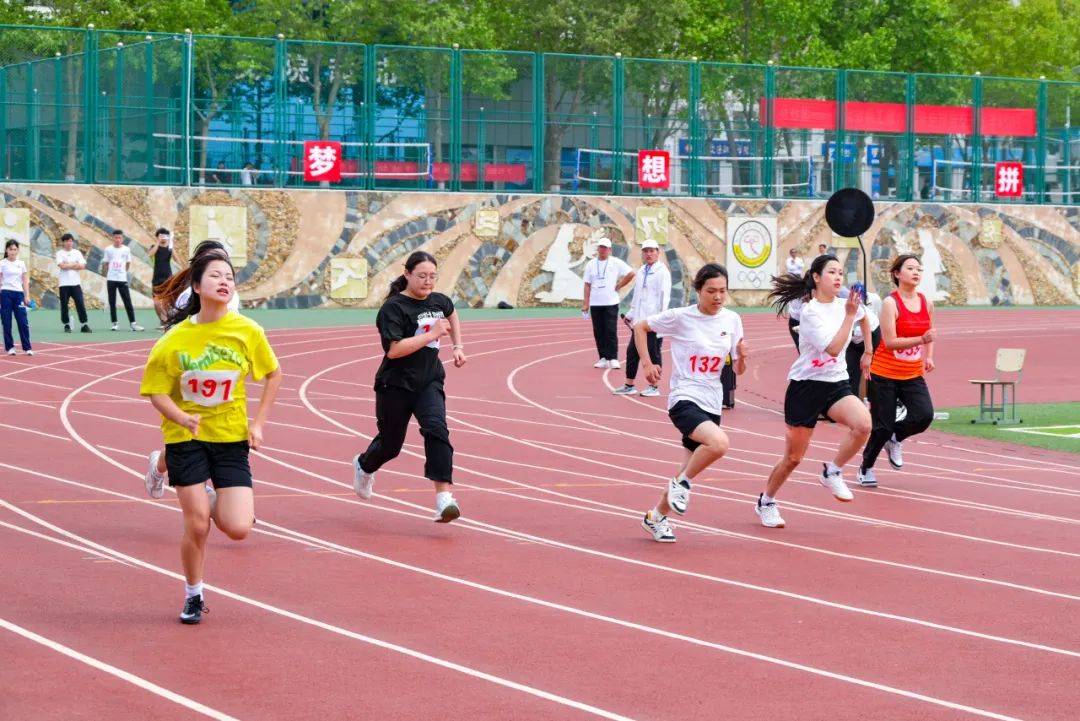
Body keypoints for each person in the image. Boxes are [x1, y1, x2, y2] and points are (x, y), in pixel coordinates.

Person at [139, 244, 281, 624]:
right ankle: (193, 594)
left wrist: (259, 423)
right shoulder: (174, 340)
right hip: (185, 437)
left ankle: (215, 496)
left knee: (237, 528)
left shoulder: (248, 331)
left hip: (231, 436)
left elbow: (273, 375)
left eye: (229, 277)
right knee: (198, 522)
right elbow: (153, 389)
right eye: (216, 275)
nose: (224, 281)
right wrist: (181, 417)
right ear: (197, 287)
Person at [755, 254, 873, 528]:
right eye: (832, 272)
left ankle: (832, 471)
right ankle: (767, 500)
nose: (838, 277)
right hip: (806, 387)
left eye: (841, 273)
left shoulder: (847, 305)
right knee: (793, 458)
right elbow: (832, 348)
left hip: (836, 383)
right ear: (817, 278)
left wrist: (867, 351)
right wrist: (850, 317)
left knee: (864, 424)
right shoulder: (810, 312)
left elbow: (867, 319)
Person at [634, 263, 747, 543]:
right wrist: (648, 364)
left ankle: (655, 518)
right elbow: (640, 327)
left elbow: (739, 370)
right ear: (698, 290)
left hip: (712, 401)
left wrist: (743, 357)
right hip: (684, 398)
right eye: (711, 291)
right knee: (719, 444)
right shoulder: (681, 317)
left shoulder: (732, 320)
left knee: (686, 467)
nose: (718, 297)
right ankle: (681, 485)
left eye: (723, 291)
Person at [352, 250, 467, 523]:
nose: (428, 281)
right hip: (395, 384)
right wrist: (433, 334)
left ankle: (444, 499)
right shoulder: (393, 308)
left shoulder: (439, 301)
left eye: (432, 276)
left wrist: (458, 347)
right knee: (391, 445)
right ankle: (364, 465)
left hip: (429, 381)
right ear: (407, 274)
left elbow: (452, 314)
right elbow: (394, 350)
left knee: (437, 428)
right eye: (422, 276)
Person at [857, 254, 936, 487]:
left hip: (912, 373)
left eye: (919, 269)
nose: (916, 272)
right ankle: (866, 467)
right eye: (910, 268)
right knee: (882, 425)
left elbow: (930, 334)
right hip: (884, 374)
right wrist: (921, 339)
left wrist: (929, 355)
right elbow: (890, 342)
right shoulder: (890, 303)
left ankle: (896, 437)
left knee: (924, 415)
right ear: (896, 274)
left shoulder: (926, 302)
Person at [613, 239, 671, 397]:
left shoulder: (662, 272)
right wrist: (631, 314)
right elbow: (637, 296)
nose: (649, 254)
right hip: (639, 322)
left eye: (652, 251)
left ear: (658, 253)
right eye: (646, 251)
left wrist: (659, 320)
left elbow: (664, 297)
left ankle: (654, 386)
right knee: (632, 352)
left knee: (653, 353)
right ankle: (629, 385)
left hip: (653, 322)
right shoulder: (642, 271)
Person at [582, 237, 634, 369]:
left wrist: (619, 285)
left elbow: (631, 273)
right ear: (598, 249)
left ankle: (613, 358)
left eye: (605, 247)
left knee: (610, 330)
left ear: (610, 250)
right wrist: (586, 303)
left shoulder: (615, 262)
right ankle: (603, 358)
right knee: (598, 331)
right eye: (601, 247)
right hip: (595, 303)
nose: (602, 250)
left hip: (611, 302)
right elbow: (587, 285)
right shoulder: (591, 264)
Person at [101, 229, 144, 332]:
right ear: (113, 238)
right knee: (112, 302)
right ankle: (114, 323)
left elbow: (128, 263)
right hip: (111, 279)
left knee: (127, 301)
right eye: (116, 237)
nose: (117, 239)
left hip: (122, 279)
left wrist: (123, 272)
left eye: (119, 237)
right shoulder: (108, 249)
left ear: (122, 239)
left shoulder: (126, 250)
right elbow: (106, 263)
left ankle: (133, 324)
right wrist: (110, 272)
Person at [1, 239, 33, 356]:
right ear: (6, 250)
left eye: (15, 249)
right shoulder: (2, 263)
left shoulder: (21, 264)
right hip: (5, 294)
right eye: (10, 249)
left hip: (18, 294)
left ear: (18, 250)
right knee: (6, 321)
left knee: (22, 321)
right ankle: (10, 347)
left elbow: (25, 280)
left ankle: (27, 347)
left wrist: (27, 296)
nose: (13, 252)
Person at [55, 232, 91, 334]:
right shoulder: (59, 253)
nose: (69, 243)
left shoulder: (77, 252)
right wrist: (75, 264)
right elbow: (62, 266)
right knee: (64, 306)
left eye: (71, 241)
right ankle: (66, 325)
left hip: (75, 284)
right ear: (63, 242)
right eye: (67, 241)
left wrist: (69, 265)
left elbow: (83, 266)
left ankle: (84, 325)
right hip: (64, 284)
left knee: (80, 304)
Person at [150, 228, 174, 325]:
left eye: (165, 235)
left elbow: (177, 258)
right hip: (156, 280)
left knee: (167, 302)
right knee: (156, 303)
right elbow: (150, 254)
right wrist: (158, 242)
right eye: (161, 235)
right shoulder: (154, 247)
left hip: (168, 279)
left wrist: (171, 242)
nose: (163, 237)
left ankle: (166, 321)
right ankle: (162, 320)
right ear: (157, 237)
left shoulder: (169, 249)